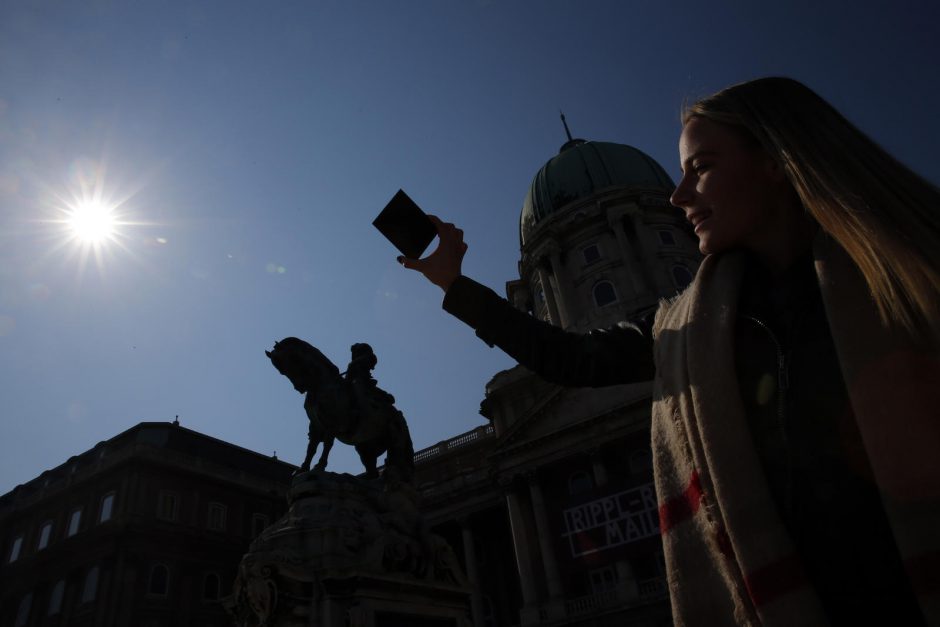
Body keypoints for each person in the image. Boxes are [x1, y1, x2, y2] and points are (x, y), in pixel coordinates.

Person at [399, 77, 939, 626]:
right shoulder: (682, 331)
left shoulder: (911, 283)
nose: (679, 199)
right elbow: (569, 359)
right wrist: (454, 285)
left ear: (778, 161)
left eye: (699, 168)